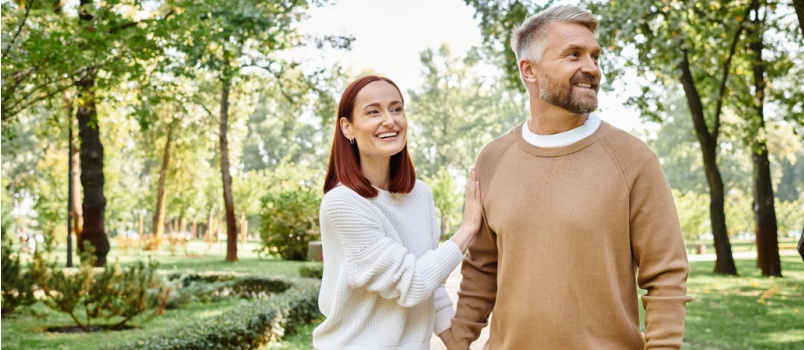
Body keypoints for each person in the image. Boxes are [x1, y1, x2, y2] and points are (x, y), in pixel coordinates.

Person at [444, 5, 692, 349]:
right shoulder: (493, 159)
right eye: (574, 54)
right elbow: (482, 267)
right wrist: (459, 339)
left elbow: (666, 276)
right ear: (529, 70)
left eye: (594, 56)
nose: (591, 68)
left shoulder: (633, 159)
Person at [313, 75, 482, 349]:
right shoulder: (342, 203)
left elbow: (432, 280)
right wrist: (468, 229)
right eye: (373, 112)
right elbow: (412, 282)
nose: (390, 120)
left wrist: (455, 341)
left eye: (396, 109)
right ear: (347, 127)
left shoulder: (420, 195)